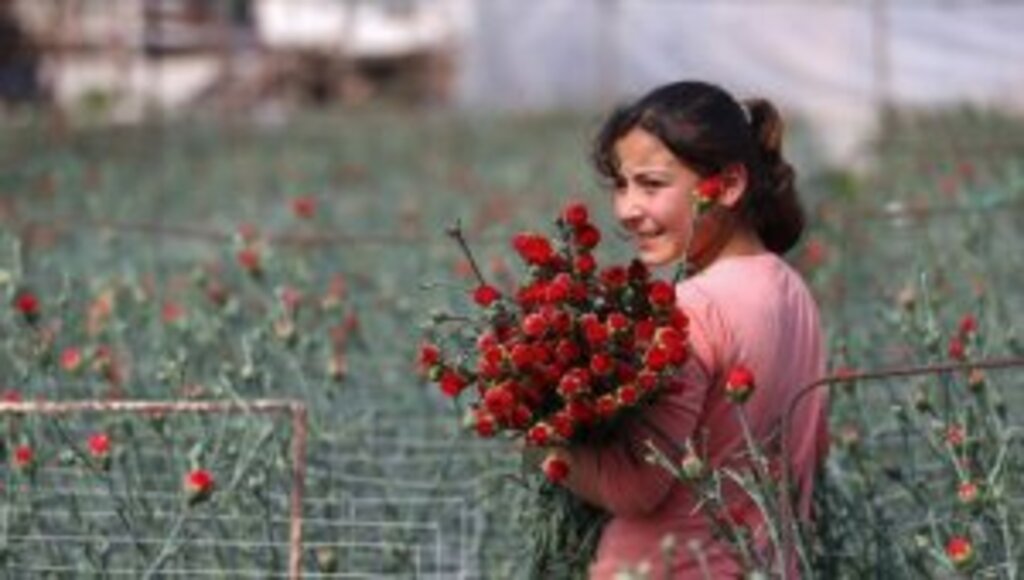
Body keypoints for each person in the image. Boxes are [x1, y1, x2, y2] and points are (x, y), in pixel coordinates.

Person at [555, 80, 829, 578]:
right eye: (620, 184)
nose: (626, 209)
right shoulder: (793, 291)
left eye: (652, 184)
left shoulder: (691, 309)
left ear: (725, 186)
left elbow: (636, 487)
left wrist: (541, 437)